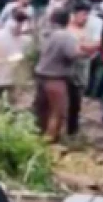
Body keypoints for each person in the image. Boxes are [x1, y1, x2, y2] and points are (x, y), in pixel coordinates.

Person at [34, 10, 93, 142]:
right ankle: (50, 140)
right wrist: (87, 53)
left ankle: (37, 135)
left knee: (42, 109)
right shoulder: (66, 36)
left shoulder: (45, 33)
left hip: (41, 75)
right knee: (57, 111)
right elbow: (72, 54)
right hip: (56, 78)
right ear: (68, 20)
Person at [67, 3, 99, 135]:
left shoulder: (89, 29)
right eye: (82, 14)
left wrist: (83, 46)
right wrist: (84, 47)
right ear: (74, 15)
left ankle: (72, 128)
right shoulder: (68, 28)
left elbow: (95, 46)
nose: (85, 18)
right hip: (67, 70)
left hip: (81, 71)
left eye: (87, 15)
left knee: (76, 100)